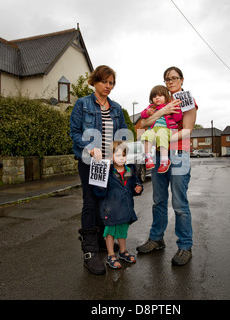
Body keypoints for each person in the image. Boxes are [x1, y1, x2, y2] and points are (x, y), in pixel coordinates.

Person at [70, 65, 129, 275]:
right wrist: (89, 146)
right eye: (104, 81)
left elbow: (121, 135)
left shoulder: (117, 109)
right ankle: (90, 251)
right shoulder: (83, 104)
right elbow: (74, 132)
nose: (108, 86)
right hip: (89, 162)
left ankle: (103, 242)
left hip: (109, 164)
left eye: (111, 83)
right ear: (95, 81)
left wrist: (121, 155)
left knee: (106, 202)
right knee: (90, 202)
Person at [136, 66, 198, 266]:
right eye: (167, 79)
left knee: (179, 204)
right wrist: (161, 112)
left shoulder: (187, 101)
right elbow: (143, 124)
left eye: (174, 78)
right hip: (158, 154)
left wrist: (166, 136)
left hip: (178, 154)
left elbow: (188, 130)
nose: (170, 81)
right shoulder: (160, 102)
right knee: (158, 200)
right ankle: (157, 239)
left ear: (182, 80)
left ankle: (185, 246)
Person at [94, 141, 143, 269]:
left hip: (125, 208)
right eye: (117, 155)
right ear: (111, 156)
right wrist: (99, 185)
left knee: (122, 232)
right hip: (110, 209)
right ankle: (111, 255)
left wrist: (138, 188)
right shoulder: (107, 171)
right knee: (110, 232)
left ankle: (123, 251)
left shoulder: (130, 170)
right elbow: (99, 191)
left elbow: (135, 185)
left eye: (123, 155)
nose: (121, 158)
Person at [140, 85, 183, 174]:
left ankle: (164, 160)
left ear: (166, 96)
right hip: (153, 129)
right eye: (154, 96)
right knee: (147, 134)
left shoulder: (169, 106)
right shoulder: (151, 107)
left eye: (160, 95)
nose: (157, 98)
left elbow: (177, 118)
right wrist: (147, 113)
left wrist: (177, 108)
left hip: (166, 130)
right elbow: (143, 115)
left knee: (161, 133)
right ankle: (148, 157)